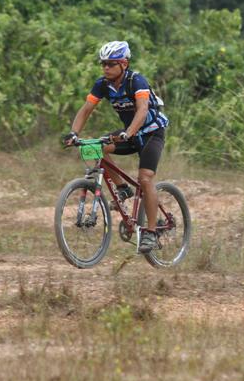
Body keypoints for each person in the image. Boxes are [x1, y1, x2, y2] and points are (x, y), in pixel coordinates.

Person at [62, 41, 168, 254]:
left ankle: (150, 232)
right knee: (97, 147)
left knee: (145, 178)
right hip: (128, 133)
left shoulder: (136, 81)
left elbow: (142, 110)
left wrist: (128, 133)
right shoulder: (102, 84)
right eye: (103, 64)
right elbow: (86, 109)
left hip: (151, 132)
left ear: (124, 64)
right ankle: (122, 188)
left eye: (111, 64)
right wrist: (74, 133)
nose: (106, 68)